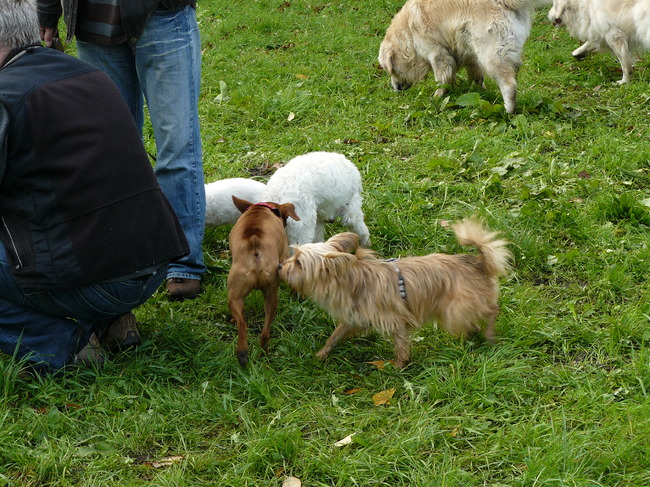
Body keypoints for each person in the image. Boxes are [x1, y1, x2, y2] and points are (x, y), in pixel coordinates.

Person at [0, 0, 190, 373]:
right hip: (152, 265)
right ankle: (112, 322)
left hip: (95, 278)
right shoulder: (88, 74)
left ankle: (62, 347)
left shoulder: (5, 95)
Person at [36, 0, 206, 301]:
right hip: (93, 25)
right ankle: (130, 260)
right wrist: (47, 12)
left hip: (162, 16)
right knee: (112, 152)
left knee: (177, 146)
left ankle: (183, 262)